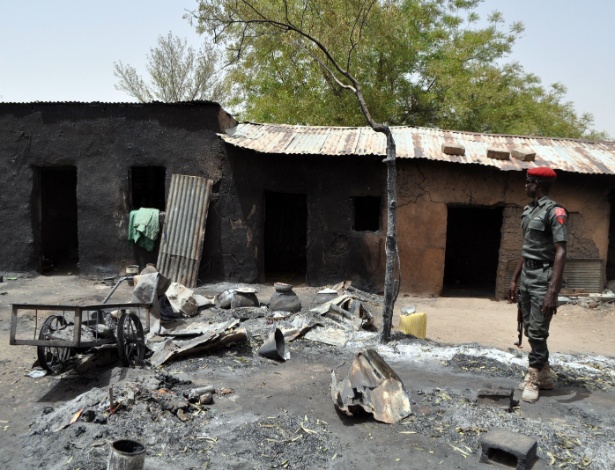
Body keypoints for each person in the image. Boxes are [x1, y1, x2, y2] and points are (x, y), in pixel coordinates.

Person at [508, 166, 568, 403]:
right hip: (527, 275)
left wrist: (552, 291)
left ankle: (534, 376)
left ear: (537, 185)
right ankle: (544, 373)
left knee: (538, 329)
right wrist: (514, 279)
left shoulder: (555, 211)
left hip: (544, 277)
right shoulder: (529, 211)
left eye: (528, 182)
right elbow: (527, 249)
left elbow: (561, 251)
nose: (525, 186)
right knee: (527, 324)